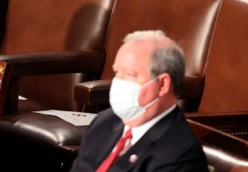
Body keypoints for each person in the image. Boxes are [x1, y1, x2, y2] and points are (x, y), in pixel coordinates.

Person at [71, 30, 208, 171]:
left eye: (129, 74)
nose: (118, 82)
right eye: (117, 72)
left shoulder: (181, 155)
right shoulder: (104, 122)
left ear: (162, 84)